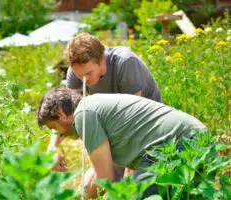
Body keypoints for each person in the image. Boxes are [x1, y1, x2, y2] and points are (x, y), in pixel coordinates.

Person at [37, 88, 207, 199]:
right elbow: (101, 167)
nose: (59, 134)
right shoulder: (93, 106)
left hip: (178, 143)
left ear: (61, 113)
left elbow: (105, 178)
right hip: (195, 138)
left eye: (54, 127)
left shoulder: (84, 115)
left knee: (133, 196)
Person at [48, 32, 162, 179]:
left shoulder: (125, 63)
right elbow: (65, 114)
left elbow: (134, 119)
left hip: (148, 130)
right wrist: (52, 148)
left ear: (102, 60)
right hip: (114, 130)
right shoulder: (77, 72)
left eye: (89, 73)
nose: (84, 80)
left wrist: (128, 165)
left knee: (131, 187)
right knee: (89, 188)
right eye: (79, 76)